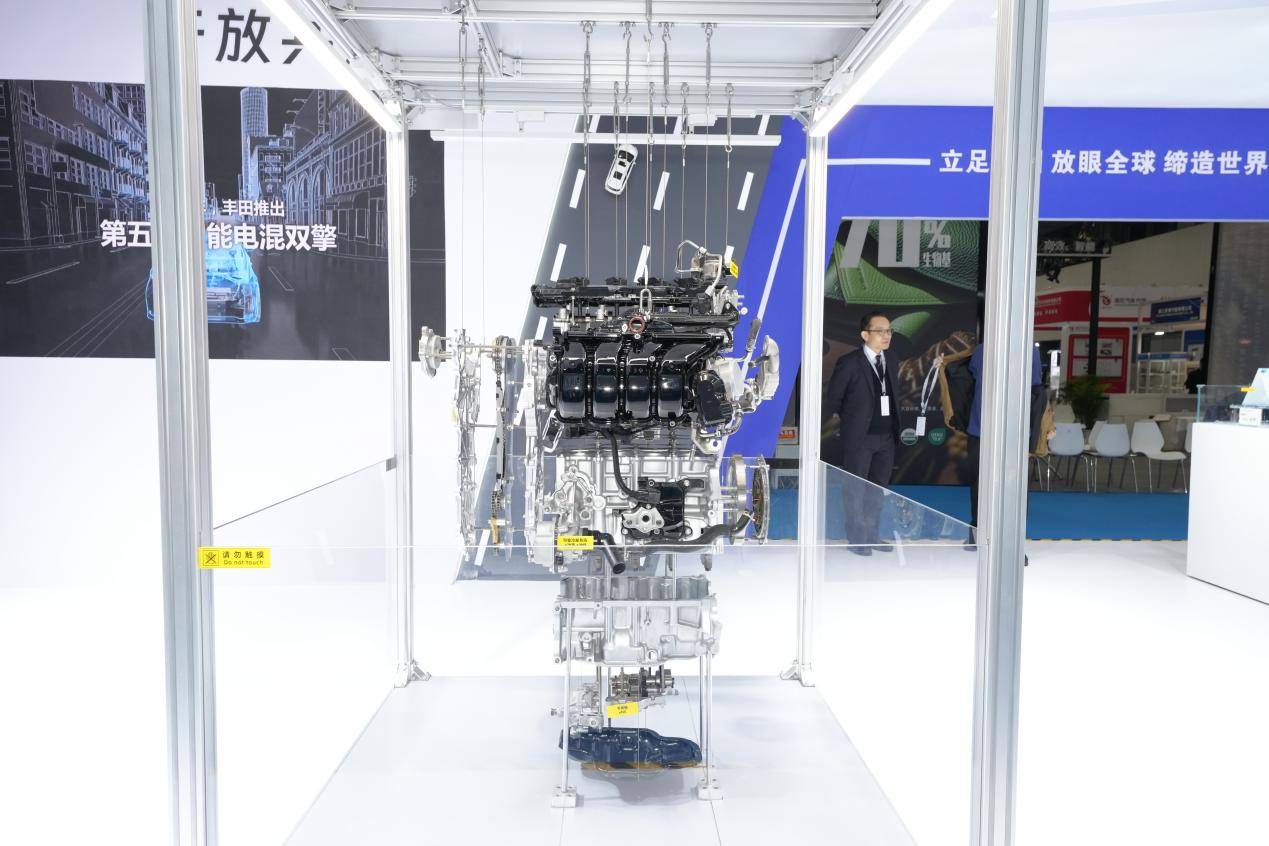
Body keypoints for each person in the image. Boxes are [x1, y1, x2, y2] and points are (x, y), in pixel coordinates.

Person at [826, 311, 902, 555]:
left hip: (886, 437)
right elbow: (834, 398)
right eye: (880, 331)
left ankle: (872, 535)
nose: (886, 336)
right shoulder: (849, 362)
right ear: (865, 334)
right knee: (855, 489)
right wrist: (851, 423)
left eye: (889, 331)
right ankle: (857, 539)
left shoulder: (892, 360)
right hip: (860, 437)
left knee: (877, 490)